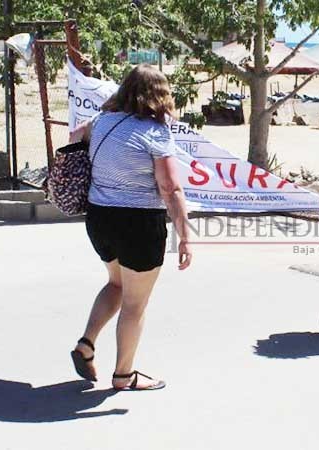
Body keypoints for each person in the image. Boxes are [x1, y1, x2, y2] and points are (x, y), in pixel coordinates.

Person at [68, 65, 192, 391]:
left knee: (116, 285)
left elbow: (72, 137)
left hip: (99, 218)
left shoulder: (101, 121)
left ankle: (86, 343)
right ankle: (124, 375)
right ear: (160, 93)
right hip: (138, 224)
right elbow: (170, 188)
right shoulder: (155, 131)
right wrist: (185, 236)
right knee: (135, 306)